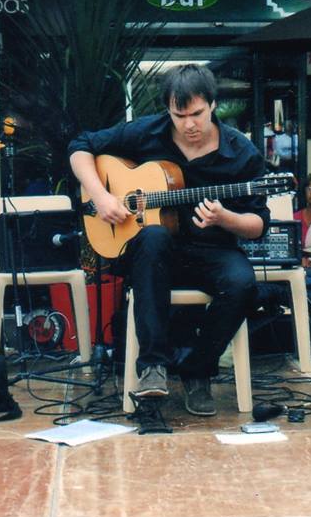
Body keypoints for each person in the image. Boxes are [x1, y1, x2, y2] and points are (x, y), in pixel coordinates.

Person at [68, 64, 268, 416]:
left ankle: (198, 370)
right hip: (152, 253)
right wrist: (101, 196)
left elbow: (257, 224)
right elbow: (81, 146)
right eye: (180, 115)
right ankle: (152, 368)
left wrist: (226, 217)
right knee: (155, 236)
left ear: (213, 105)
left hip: (213, 249)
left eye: (197, 114)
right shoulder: (148, 132)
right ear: (168, 110)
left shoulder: (242, 153)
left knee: (243, 284)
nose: (189, 124)